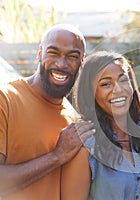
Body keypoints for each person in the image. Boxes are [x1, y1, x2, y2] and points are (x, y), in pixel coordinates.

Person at [0, 24, 95, 200]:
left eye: (72, 56)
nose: (61, 63)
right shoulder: (5, 99)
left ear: (82, 62)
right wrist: (56, 156)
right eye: (53, 53)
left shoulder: (73, 118)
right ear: (39, 53)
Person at [65, 51, 140, 199]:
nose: (118, 90)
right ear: (91, 93)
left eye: (123, 80)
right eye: (106, 84)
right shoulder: (85, 146)